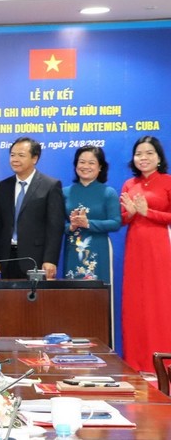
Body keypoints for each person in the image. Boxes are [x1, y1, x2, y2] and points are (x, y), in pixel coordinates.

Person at [120, 135, 171, 373]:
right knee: (135, 303)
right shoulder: (130, 184)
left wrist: (147, 211)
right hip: (135, 248)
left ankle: (163, 361)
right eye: (139, 153)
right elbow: (122, 218)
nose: (144, 157)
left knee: (160, 302)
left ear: (159, 157)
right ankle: (136, 362)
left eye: (149, 153)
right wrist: (131, 213)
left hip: (160, 247)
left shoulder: (167, 181)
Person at [0, 137, 64, 279]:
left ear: (34, 159)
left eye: (21, 155)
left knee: (36, 300)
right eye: (12, 155)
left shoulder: (50, 185)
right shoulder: (2, 187)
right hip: (7, 258)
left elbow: (55, 227)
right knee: (8, 301)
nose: (15, 159)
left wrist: (50, 260)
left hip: (37, 259)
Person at [62, 146, 120, 282]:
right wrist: (71, 227)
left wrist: (88, 223)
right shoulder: (65, 193)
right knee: (72, 294)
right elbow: (57, 224)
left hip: (99, 248)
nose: (85, 166)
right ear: (76, 165)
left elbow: (115, 222)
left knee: (99, 295)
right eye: (81, 162)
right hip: (73, 250)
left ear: (100, 167)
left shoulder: (108, 192)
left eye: (91, 163)